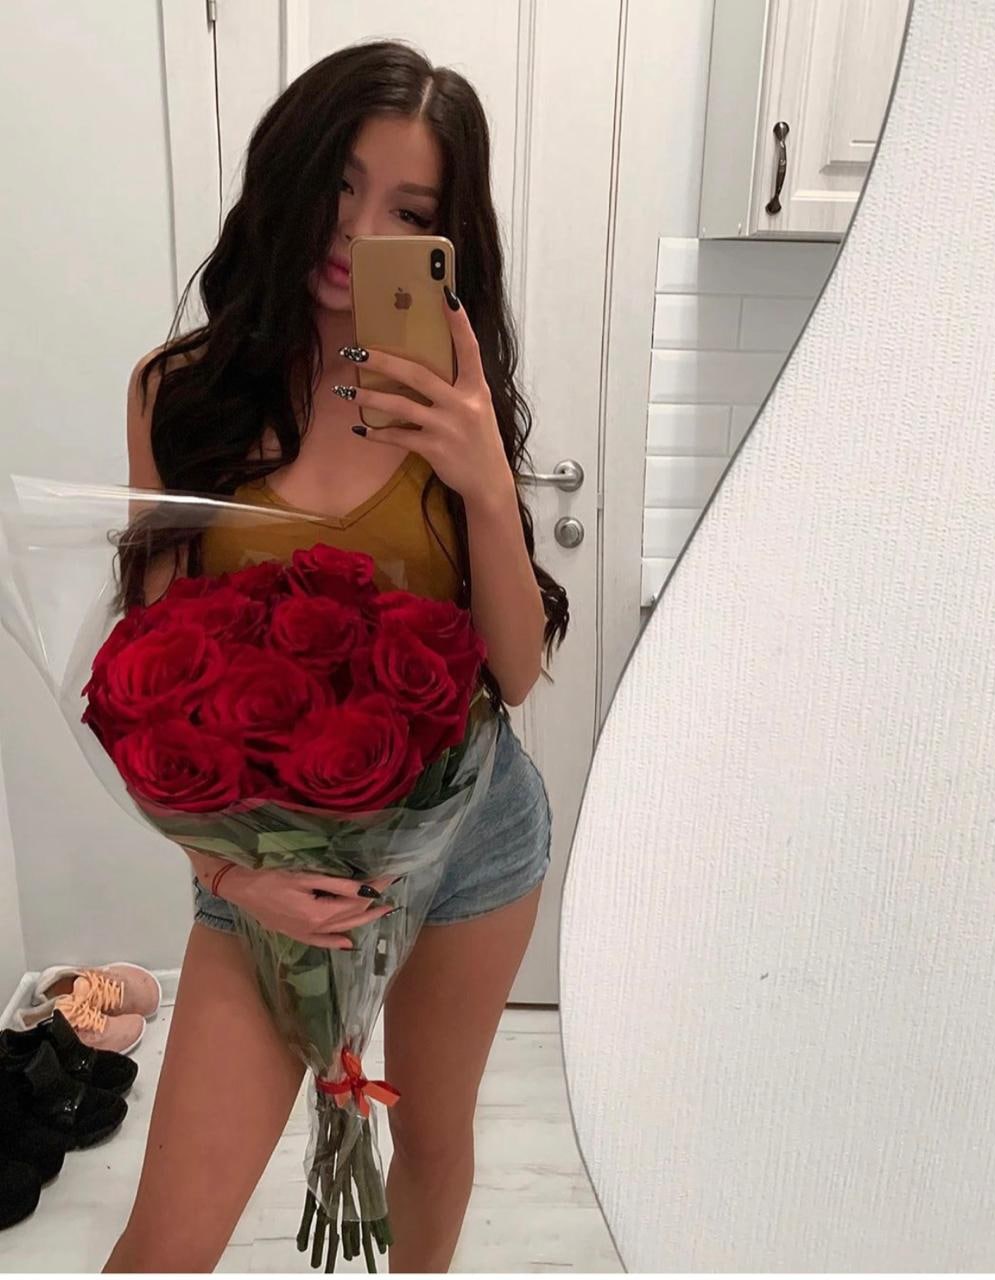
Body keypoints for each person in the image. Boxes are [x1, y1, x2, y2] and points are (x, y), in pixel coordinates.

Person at [102, 39, 568, 1274]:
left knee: (433, 1133)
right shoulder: (182, 395)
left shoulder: (443, 396)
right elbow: (149, 684)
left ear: (442, 240)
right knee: (166, 1240)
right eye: (340, 184)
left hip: (471, 834)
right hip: (267, 862)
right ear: (288, 174)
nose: (356, 232)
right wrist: (228, 874)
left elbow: (515, 671)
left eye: (406, 212)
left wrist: (484, 480)